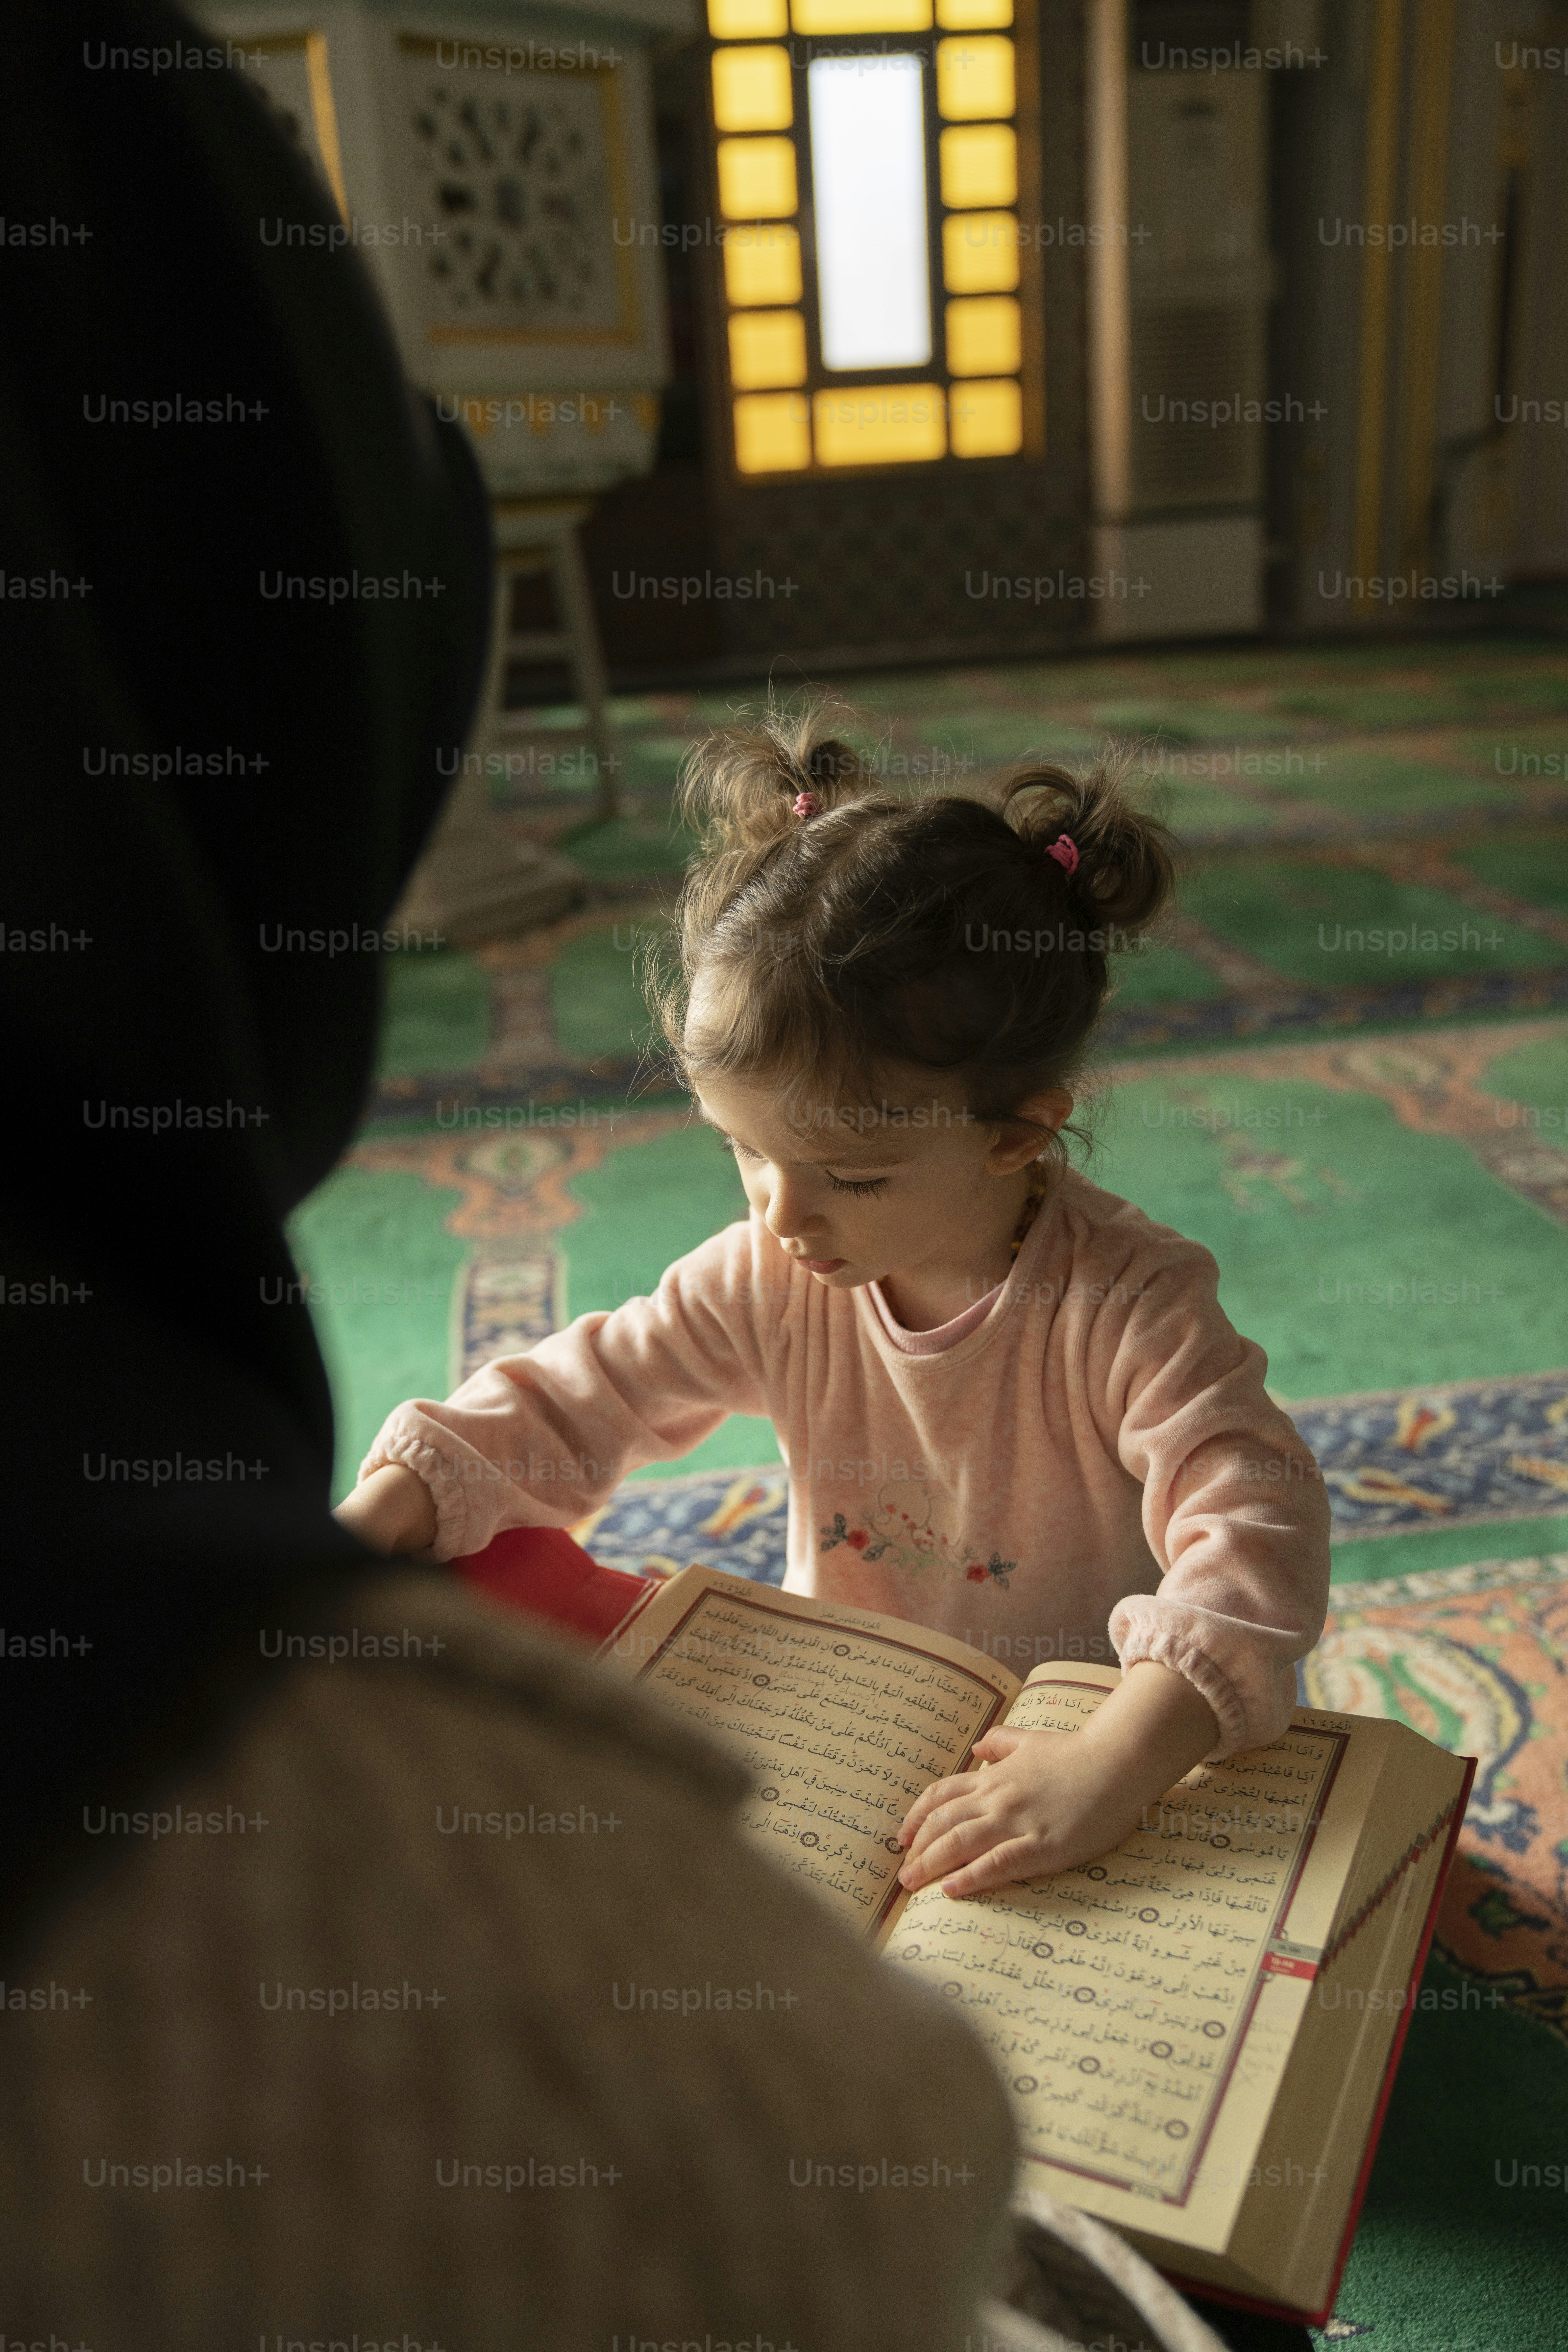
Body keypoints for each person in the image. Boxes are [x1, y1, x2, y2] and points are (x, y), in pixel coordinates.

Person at [338, 708, 1332, 1900]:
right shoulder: (773, 1273)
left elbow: (1259, 1534)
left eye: (849, 1176)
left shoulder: (1133, 1305)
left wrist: (1114, 1763)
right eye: (743, 1154)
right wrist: (396, 1500)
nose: (779, 1215)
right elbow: (577, 1400)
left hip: (1083, 1750)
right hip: (848, 1744)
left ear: (1019, 1132)